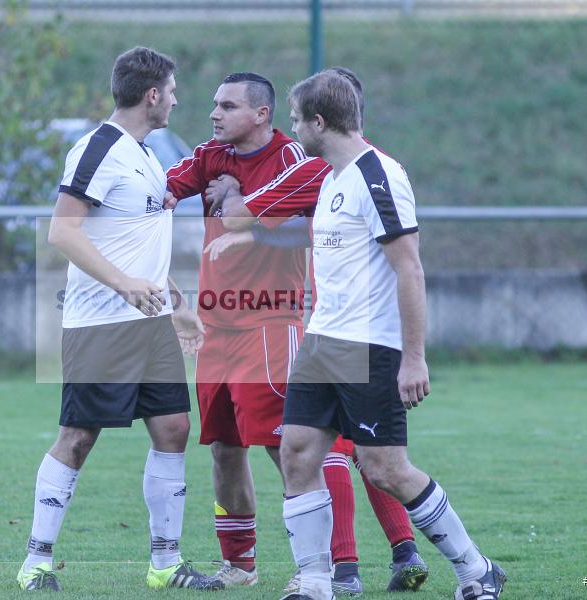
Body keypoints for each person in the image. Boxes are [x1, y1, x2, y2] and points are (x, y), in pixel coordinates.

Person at [166, 72, 423, 596]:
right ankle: (241, 564)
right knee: (225, 447)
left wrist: (246, 208)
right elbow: (163, 190)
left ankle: (341, 566)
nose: (213, 114)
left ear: (261, 115)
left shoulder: (300, 162)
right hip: (219, 325)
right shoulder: (208, 155)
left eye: (227, 105)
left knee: (308, 448)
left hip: (276, 325)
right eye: (214, 104)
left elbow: (307, 230)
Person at [275, 71, 506, 600]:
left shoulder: (378, 174)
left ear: (318, 121)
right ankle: (315, 581)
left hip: (370, 346)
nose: (292, 130)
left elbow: (410, 269)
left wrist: (414, 358)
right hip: (322, 343)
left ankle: (475, 570)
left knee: (385, 469)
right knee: (297, 452)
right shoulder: (331, 177)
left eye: (294, 120)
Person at [16, 46, 222, 592]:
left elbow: (141, 247)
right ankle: (36, 562)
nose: (177, 100)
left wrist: (177, 306)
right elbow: (62, 231)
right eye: (172, 91)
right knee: (78, 437)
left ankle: (165, 564)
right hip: (101, 325)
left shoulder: (147, 155)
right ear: (152, 95)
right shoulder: (98, 149)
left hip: (150, 324)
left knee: (174, 429)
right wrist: (124, 285)